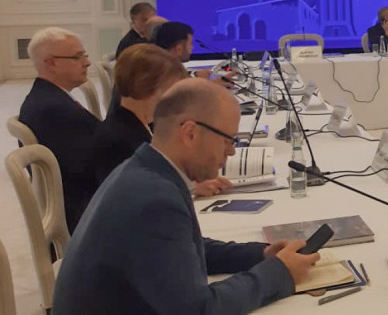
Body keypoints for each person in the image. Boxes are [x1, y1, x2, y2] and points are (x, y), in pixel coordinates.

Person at [52, 79, 320, 314]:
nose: (230, 152)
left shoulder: (143, 168)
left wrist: (259, 254)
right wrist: (279, 273)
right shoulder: (154, 199)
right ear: (190, 133)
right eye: (228, 140)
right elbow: (199, 310)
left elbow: (183, 247)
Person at [19, 27, 100, 233]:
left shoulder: (48, 98)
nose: (87, 62)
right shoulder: (54, 110)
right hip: (86, 219)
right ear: (51, 63)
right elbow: (89, 170)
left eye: (85, 55)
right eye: (77, 57)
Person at [94, 44, 187, 184]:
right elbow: (141, 189)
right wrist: (188, 187)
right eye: (170, 90)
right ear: (145, 87)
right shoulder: (119, 141)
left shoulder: (140, 125)